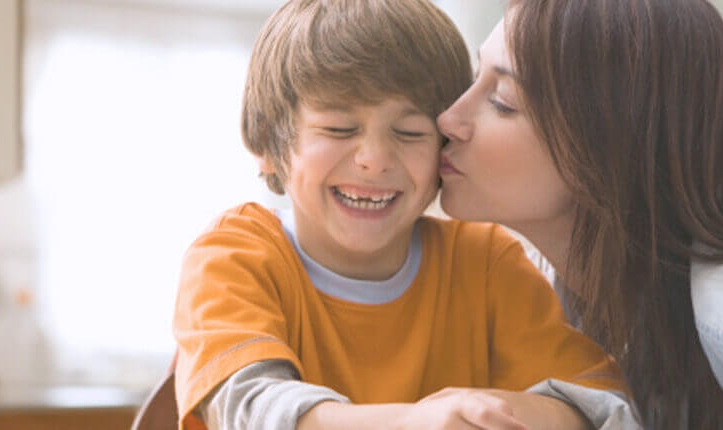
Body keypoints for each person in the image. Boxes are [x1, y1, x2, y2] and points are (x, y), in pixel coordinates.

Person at [172, 1, 638, 429]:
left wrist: (483, 414)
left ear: (445, 147)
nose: (374, 158)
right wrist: (414, 422)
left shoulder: (488, 263)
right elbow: (250, 408)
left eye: (410, 132)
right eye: (339, 128)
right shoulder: (235, 257)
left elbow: (599, 404)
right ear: (266, 146)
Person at [437, 0, 723, 428]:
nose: (449, 119)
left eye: (502, 101)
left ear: (606, 147)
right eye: (472, 79)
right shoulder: (554, 292)